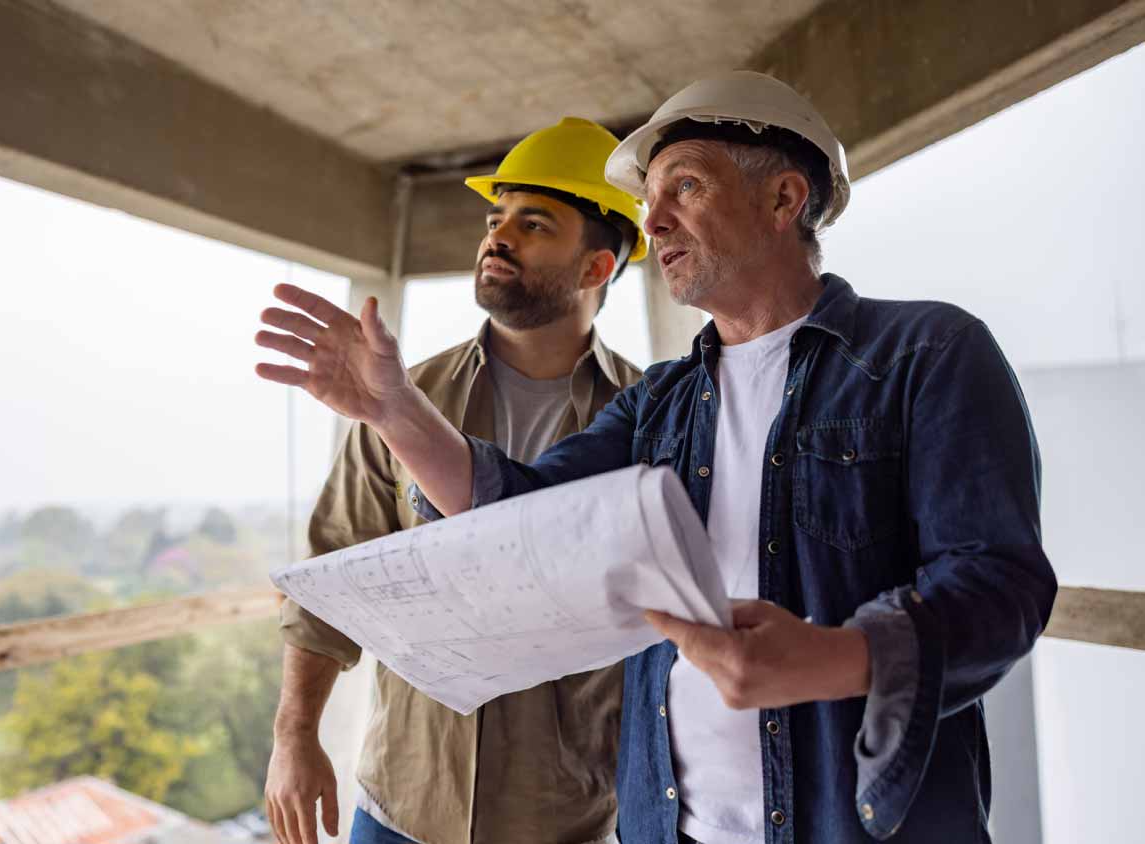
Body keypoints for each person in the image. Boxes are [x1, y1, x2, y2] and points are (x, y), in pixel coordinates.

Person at [255, 72, 1055, 844]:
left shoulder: (927, 354)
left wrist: (837, 659)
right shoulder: (663, 401)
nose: (656, 222)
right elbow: (519, 512)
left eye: (685, 188)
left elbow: (1003, 587)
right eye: (651, 201)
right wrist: (396, 412)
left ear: (784, 198)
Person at [261, 117, 647, 844]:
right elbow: (330, 568)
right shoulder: (403, 396)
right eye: (496, 219)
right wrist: (294, 736)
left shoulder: (651, 417)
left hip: (564, 815)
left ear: (598, 267)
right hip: (404, 802)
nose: (497, 237)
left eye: (534, 224)